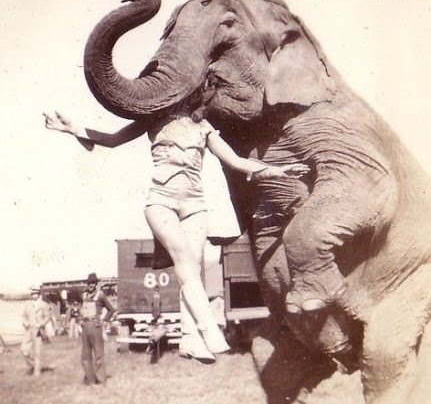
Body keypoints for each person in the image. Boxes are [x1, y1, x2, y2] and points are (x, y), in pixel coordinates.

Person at [44, 93, 308, 363]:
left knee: (194, 270)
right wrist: (73, 128)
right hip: (161, 201)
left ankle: (189, 340)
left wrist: (280, 170)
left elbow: (238, 163)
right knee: (185, 264)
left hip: (195, 205)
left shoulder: (203, 127)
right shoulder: (153, 118)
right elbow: (112, 140)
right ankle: (208, 329)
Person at [79, 273, 116, 385]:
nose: (91, 285)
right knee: (85, 355)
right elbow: (81, 309)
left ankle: (101, 380)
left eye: (93, 283)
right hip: (85, 326)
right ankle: (90, 380)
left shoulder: (100, 295)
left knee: (98, 354)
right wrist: (80, 319)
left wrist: (104, 320)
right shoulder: (84, 295)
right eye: (89, 283)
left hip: (96, 326)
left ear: (96, 284)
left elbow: (111, 309)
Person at [21, 284, 51, 377]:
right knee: (23, 349)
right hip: (29, 329)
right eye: (32, 293)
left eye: (35, 293)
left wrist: (41, 324)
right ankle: (32, 365)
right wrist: (25, 322)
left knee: (37, 351)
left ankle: (37, 371)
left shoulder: (44, 305)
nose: (33, 295)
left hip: (38, 330)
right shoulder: (27, 304)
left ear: (38, 294)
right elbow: (23, 316)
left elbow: (48, 317)